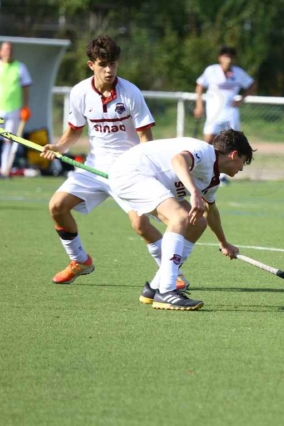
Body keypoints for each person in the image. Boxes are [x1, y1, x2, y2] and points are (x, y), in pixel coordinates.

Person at [41, 35, 188, 289]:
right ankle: (80, 261)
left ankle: (170, 273)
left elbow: (146, 139)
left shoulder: (130, 93)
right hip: (94, 167)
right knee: (57, 206)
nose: (109, 70)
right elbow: (74, 130)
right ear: (91, 65)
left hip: (130, 169)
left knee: (140, 224)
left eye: (113, 63)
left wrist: (149, 174)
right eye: (102, 64)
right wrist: (58, 147)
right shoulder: (79, 93)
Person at [109, 130, 254, 310]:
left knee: (197, 222)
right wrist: (194, 193)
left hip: (150, 180)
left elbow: (211, 212)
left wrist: (223, 243)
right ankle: (167, 291)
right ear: (234, 155)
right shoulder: (204, 151)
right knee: (180, 217)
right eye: (243, 161)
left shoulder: (213, 180)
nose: (242, 168)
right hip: (132, 172)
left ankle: (154, 288)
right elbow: (178, 160)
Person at [193, 45, 256, 144]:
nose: (228, 60)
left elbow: (252, 85)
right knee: (209, 140)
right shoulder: (211, 70)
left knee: (234, 140)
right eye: (226, 56)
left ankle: (229, 159)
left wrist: (241, 99)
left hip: (231, 111)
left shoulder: (238, 72)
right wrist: (199, 105)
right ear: (220, 58)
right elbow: (199, 86)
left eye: (231, 57)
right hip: (214, 111)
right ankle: (207, 159)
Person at [0, 41, 31, 177]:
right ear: (1, 51)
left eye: (10, 49)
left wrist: (25, 107)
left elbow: (25, 88)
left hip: (13, 109)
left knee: (8, 140)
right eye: (6, 49)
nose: (8, 52)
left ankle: (5, 169)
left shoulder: (20, 67)